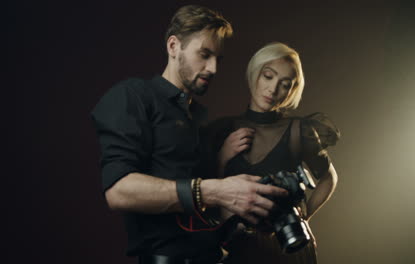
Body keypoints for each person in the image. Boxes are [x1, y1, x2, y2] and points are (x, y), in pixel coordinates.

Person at [91, 6, 288, 264]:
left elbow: (200, 206)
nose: (213, 68)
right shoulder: (133, 96)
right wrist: (215, 190)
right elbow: (119, 190)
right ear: (174, 46)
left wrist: (243, 204)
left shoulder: (199, 117)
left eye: (218, 58)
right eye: (204, 54)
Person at [203, 42, 341, 264]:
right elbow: (206, 194)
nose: (273, 89)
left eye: (285, 84)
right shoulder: (222, 130)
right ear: (255, 73)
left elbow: (328, 179)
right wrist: (223, 156)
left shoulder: (300, 130)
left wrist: (302, 218)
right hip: (236, 248)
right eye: (268, 76)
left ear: (291, 91)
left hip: (287, 249)